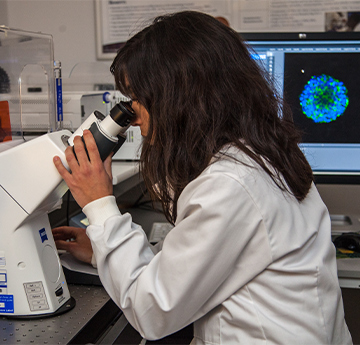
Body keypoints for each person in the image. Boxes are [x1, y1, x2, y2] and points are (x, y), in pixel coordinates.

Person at [52, 11, 352, 345]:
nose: (133, 115)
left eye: (139, 98)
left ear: (178, 99)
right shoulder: (261, 153)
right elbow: (197, 261)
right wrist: (100, 251)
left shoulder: (230, 183)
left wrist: (100, 206)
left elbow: (152, 312)